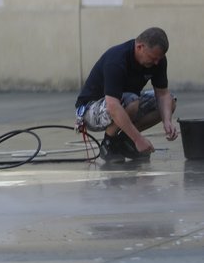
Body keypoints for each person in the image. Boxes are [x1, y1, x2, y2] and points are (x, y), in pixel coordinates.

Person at [75, 26, 179, 162]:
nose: (156, 62)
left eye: (159, 59)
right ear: (140, 47)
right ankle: (108, 143)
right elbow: (113, 105)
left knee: (170, 101)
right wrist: (139, 139)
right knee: (131, 101)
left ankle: (125, 140)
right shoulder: (117, 60)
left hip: (124, 103)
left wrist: (167, 121)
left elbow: (163, 94)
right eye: (153, 58)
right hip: (90, 111)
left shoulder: (157, 60)